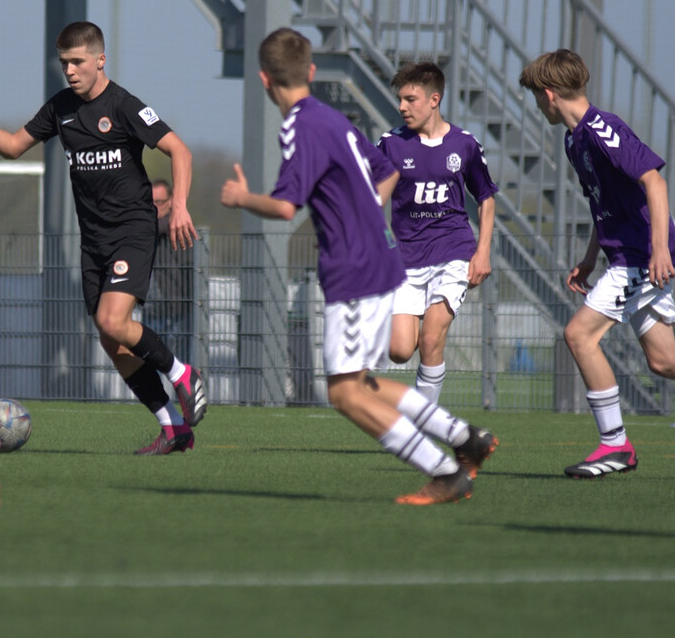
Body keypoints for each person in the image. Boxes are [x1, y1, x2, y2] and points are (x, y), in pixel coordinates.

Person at [220, 27, 497, 504]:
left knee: (345, 394)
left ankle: (445, 471)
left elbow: (287, 208)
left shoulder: (299, 127)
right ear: (309, 71)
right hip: (386, 258)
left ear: (266, 81)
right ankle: (465, 437)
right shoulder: (331, 118)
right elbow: (386, 171)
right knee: (361, 382)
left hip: (355, 266)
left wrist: (244, 198)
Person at [0, 21, 207, 455]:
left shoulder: (124, 105)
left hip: (132, 230)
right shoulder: (61, 108)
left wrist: (179, 205)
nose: (69, 70)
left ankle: (184, 374)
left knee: (113, 320)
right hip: (93, 241)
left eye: (77, 62)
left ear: (100, 60)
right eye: (64, 62)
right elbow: (14, 146)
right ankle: (173, 428)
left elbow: (179, 150)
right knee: (112, 339)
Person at [519, 48, 675, 479]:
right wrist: (590, 259)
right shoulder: (575, 140)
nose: (537, 106)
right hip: (624, 256)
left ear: (549, 94)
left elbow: (654, 181)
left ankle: (615, 445)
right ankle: (615, 445)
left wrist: (659, 248)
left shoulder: (603, 129)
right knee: (664, 362)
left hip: (641, 258)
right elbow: (603, 203)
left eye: (535, 97)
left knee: (579, 334)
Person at [377, 62, 498, 402]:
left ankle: (424, 425)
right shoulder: (391, 145)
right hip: (406, 258)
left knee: (431, 339)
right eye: (400, 99)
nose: (402, 107)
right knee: (400, 350)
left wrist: (482, 252)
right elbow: (375, 202)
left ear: (434, 99)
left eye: (410, 99)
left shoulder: (465, 144)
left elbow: (486, 198)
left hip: (452, 252)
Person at [147, 179, 194, 361]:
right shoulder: (148, 229)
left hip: (176, 314)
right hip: (151, 312)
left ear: (172, 201)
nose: (154, 207)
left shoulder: (177, 226)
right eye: (150, 203)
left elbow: (163, 225)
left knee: (181, 368)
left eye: (159, 202)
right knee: (150, 371)